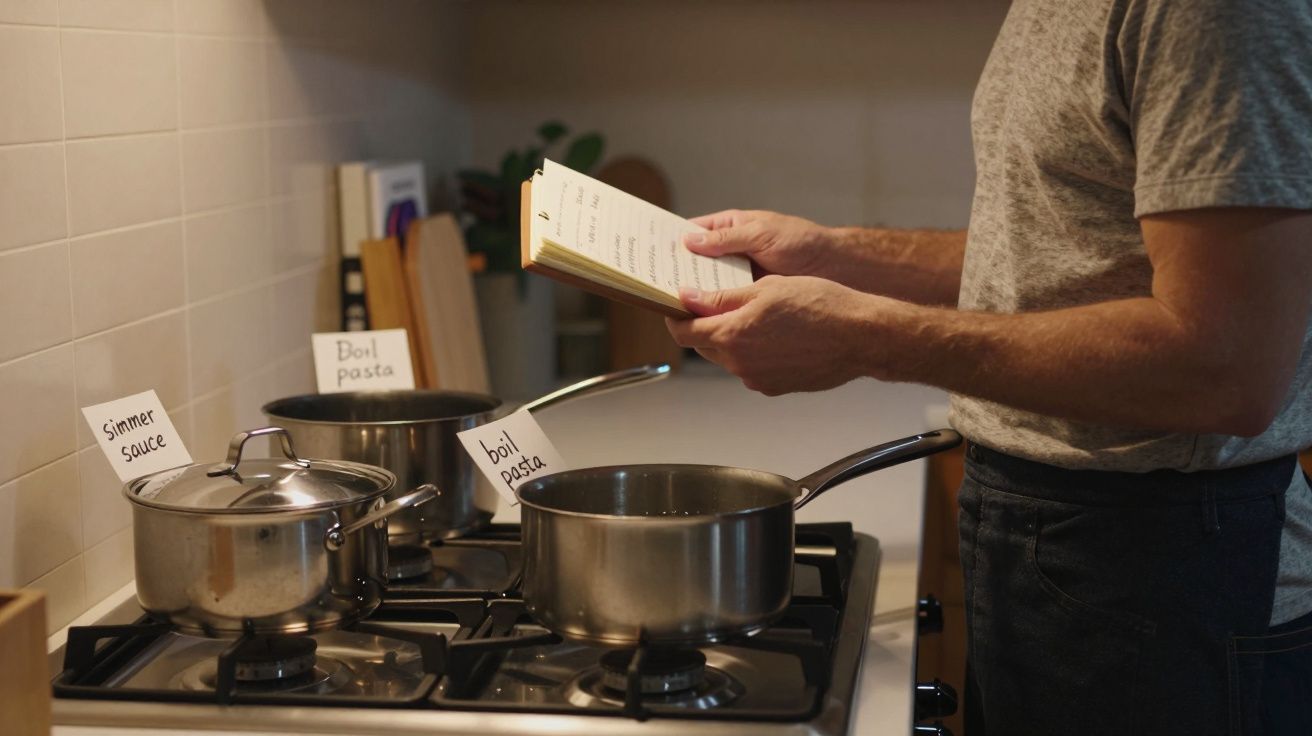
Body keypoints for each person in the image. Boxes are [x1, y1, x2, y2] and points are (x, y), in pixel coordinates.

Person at [666, 1, 1312, 734]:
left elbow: (1225, 365)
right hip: (1054, 537)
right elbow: (1066, 252)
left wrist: (867, 340)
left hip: (1164, 567)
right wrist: (836, 253)